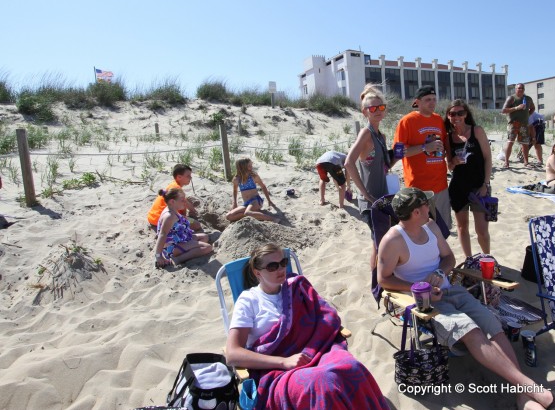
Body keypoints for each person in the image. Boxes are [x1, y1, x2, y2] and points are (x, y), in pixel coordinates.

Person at [377, 187, 555, 410]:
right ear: (416, 212)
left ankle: (523, 393)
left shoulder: (430, 227)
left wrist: (440, 273)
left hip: (452, 291)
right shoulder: (393, 240)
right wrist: (417, 287)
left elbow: (449, 258)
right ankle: (532, 389)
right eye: (425, 204)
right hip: (424, 304)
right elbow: (383, 279)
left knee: (491, 323)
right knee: (470, 330)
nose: (429, 207)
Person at [225, 243, 389, 409]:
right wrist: (283, 362)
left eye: (283, 262)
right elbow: (232, 354)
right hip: (275, 368)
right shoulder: (248, 301)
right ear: (257, 272)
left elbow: (325, 317)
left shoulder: (297, 287)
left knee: (352, 368)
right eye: (273, 266)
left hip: (315, 352)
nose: (281, 269)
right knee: (322, 383)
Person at [345, 84, 397, 270]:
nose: (377, 111)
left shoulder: (380, 136)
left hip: (383, 198)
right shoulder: (366, 133)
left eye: (380, 107)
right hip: (371, 202)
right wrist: (365, 193)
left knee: (381, 244)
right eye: (372, 108)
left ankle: (380, 281)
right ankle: (377, 282)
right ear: (364, 111)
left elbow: (382, 167)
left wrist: (396, 156)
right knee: (380, 245)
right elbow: (349, 162)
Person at [393, 85, 451, 229]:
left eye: (434, 99)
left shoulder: (438, 120)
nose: (432, 103)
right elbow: (398, 152)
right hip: (418, 187)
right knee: (421, 230)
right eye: (427, 100)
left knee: (443, 229)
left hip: (441, 185)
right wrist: (424, 147)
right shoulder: (407, 121)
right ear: (417, 102)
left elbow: (445, 143)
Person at [444, 100, 492, 258]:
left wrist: (485, 184)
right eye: (452, 113)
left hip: (479, 186)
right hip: (458, 187)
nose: (456, 116)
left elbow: (488, 158)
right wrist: (453, 162)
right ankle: (469, 259)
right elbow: (449, 166)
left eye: (460, 113)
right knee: (462, 227)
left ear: (466, 115)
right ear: (448, 116)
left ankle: (487, 258)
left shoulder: (477, 131)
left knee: (482, 230)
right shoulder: (449, 137)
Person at [153, 188, 212, 267]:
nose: (185, 202)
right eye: (182, 200)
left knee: (204, 237)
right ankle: (178, 259)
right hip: (173, 247)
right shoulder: (169, 216)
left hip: (181, 239)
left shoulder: (173, 209)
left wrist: (192, 221)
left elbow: (183, 219)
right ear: (172, 201)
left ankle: (189, 250)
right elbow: (162, 235)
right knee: (208, 247)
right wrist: (158, 256)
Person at [146, 163, 202, 231]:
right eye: (188, 176)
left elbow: (185, 202)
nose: (190, 177)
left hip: (153, 217)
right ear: (179, 177)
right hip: (162, 220)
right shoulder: (177, 189)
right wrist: (192, 212)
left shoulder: (173, 185)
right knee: (196, 224)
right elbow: (185, 204)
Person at [226, 158, 279, 223]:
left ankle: (272, 219)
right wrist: (234, 203)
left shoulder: (254, 176)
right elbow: (235, 191)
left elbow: (263, 186)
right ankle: (255, 214)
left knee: (247, 213)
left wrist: (269, 200)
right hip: (246, 204)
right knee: (229, 216)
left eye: (251, 165)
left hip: (256, 201)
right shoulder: (237, 179)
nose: (251, 167)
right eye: (249, 166)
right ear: (242, 167)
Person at [501, 83, 535, 168]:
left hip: (524, 124)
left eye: (522, 88)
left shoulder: (528, 99)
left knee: (525, 143)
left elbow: (533, 108)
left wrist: (527, 114)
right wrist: (516, 108)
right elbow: (503, 110)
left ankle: (526, 162)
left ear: (524, 89)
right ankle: (506, 161)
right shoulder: (511, 98)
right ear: (515, 89)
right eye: (518, 88)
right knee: (510, 142)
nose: (520, 90)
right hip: (513, 123)